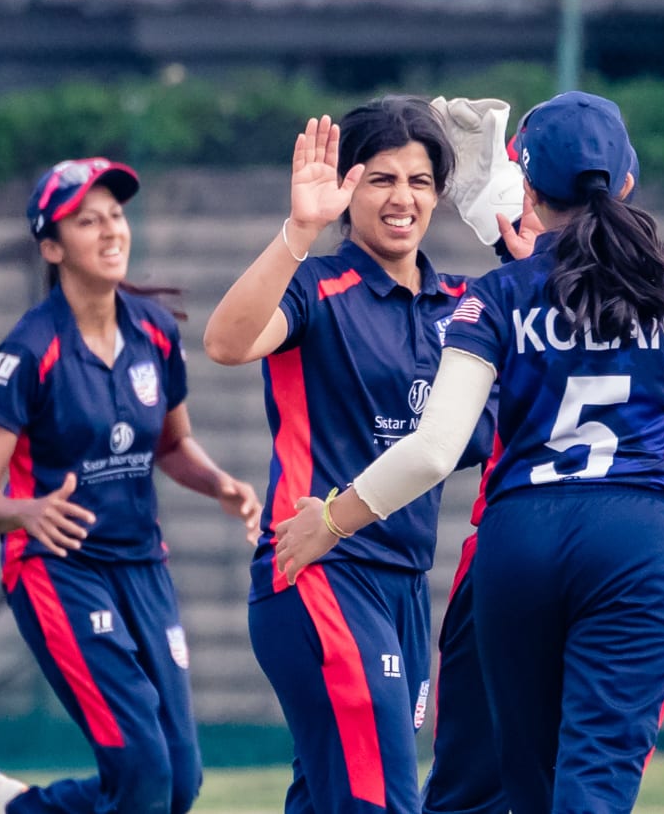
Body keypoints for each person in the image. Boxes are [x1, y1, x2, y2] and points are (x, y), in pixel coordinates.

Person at [274, 91, 664, 814]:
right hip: (636, 540)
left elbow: (434, 450)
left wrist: (333, 517)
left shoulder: (494, 296)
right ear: (626, 182)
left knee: (516, 790)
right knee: (593, 778)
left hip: (517, 543)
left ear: (529, 190)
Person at [204, 98, 492, 813]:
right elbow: (226, 343)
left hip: (404, 587)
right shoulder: (315, 287)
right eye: (381, 179)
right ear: (348, 192)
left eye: (421, 181)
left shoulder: (465, 307)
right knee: (383, 801)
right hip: (319, 573)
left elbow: (530, 405)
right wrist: (297, 232)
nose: (403, 198)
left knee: (330, 795)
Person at [0, 158, 262, 814]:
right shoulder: (29, 349)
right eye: (86, 221)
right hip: (59, 571)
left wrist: (219, 484)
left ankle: (17, 809)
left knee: (177, 785)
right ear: (51, 247)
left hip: (142, 565)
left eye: (116, 216)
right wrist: (26, 512)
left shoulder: (153, 331)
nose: (110, 231)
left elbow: (172, 446)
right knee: (145, 774)